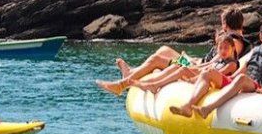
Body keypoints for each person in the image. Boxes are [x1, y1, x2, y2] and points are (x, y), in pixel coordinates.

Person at [97, 6, 249, 95]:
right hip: (197, 62)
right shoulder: (234, 39)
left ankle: (122, 84)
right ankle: (131, 73)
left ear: (224, 24)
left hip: (195, 66)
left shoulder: (233, 42)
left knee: (157, 60)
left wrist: (191, 64)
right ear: (241, 24)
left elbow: (218, 63)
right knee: (164, 49)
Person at [172, 18, 262, 118]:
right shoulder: (256, 51)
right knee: (208, 72)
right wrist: (226, 79)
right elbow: (242, 70)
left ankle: (207, 109)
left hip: (259, 87)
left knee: (241, 78)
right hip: (242, 82)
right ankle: (188, 106)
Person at [135, 32, 242, 94]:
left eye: (226, 48)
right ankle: (149, 83)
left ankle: (149, 83)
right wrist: (189, 67)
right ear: (217, 48)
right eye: (220, 48)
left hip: (206, 75)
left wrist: (190, 74)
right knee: (176, 64)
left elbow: (214, 73)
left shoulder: (231, 63)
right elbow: (205, 65)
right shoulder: (219, 58)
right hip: (197, 67)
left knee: (164, 59)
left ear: (233, 48)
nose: (223, 51)